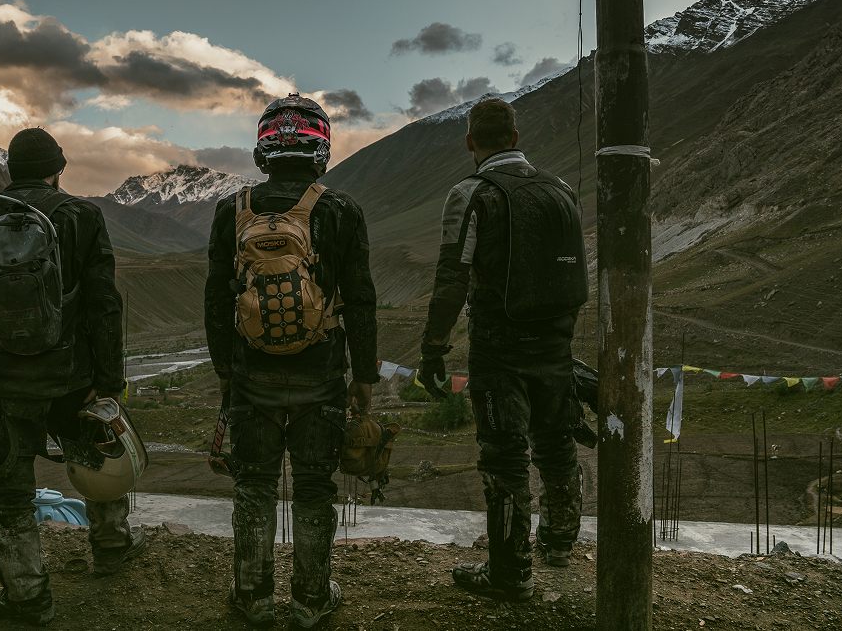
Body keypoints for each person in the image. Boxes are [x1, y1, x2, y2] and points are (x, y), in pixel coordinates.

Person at [0, 128, 138, 627]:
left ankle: (27, 594)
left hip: (1, 383)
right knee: (96, 461)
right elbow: (104, 305)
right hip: (74, 379)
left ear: (10, 170)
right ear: (58, 168)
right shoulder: (84, 217)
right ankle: (112, 548)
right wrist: (109, 383)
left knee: (10, 491)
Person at [205, 94, 379, 629]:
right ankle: (309, 599)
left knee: (254, 485)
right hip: (320, 375)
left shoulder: (232, 211)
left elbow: (215, 297)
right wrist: (365, 377)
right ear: (319, 147)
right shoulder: (340, 210)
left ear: (264, 147)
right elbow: (362, 298)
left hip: (251, 374)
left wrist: (226, 372)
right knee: (314, 487)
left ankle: (252, 597)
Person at [415, 97, 588, 602]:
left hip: (499, 346)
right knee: (557, 444)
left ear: (471, 142)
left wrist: (434, 350)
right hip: (556, 342)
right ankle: (558, 545)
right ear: (515, 138)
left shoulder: (470, 193)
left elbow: (451, 280)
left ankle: (510, 574)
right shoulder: (562, 190)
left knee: (504, 456)